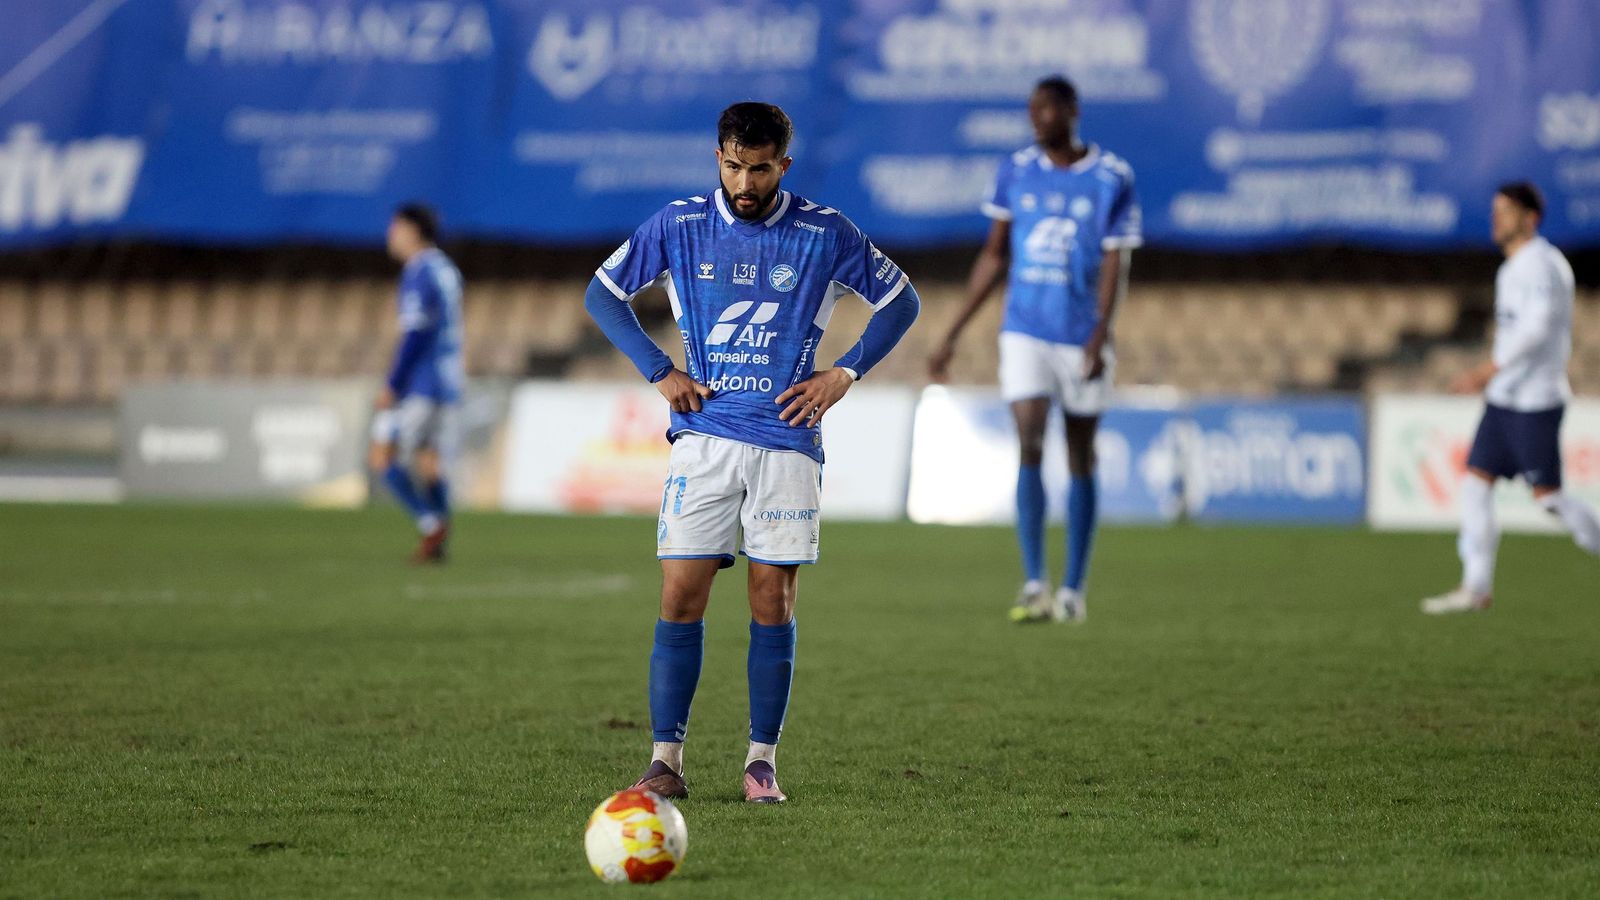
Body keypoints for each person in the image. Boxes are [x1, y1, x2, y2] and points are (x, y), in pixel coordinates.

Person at [584, 101, 920, 803]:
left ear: (783, 166)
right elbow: (604, 294)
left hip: (787, 442)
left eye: (760, 168)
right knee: (680, 595)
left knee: (773, 601)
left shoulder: (824, 232)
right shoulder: (679, 224)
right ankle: (666, 759)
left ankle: (761, 761)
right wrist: (660, 370)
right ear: (718, 157)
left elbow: (901, 301)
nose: (746, 180)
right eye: (734, 165)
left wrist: (845, 371)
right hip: (704, 438)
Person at [928, 75, 1140, 623]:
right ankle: (1033, 582)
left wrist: (1100, 331)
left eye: (1046, 109)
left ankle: (1073, 589)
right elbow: (994, 255)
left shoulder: (1112, 177)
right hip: (1024, 328)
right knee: (1028, 440)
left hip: (1081, 333)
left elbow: (1116, 260)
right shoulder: (1016, 170)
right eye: (1031, 111)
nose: (1037, 119)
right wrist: (951, 332)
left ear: (1071, 110)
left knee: (1080, 454)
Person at [1423, 182, 1600, 613]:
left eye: (1505, 211)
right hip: (1505, 400)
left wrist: (1486, 371)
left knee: (1550, 498)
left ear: (1530, 219)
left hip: (1534, 400)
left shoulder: (1542, 265)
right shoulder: (1511, 268)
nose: (1496, 219)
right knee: (1475, 484)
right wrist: (1495, 378)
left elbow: (1536, 331)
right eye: (1495, 211)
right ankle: (1476, 587)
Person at [369, 203, 464, 564]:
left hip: (422, 382)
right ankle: (438, 543)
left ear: (411, 230)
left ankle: (430, 524)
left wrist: (393, 382)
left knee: (382, 456)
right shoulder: (446, 268)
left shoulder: (420, 270)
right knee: (429, 462)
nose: (389, 236)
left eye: (394, 228)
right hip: (449, 381)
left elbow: (416, 331)